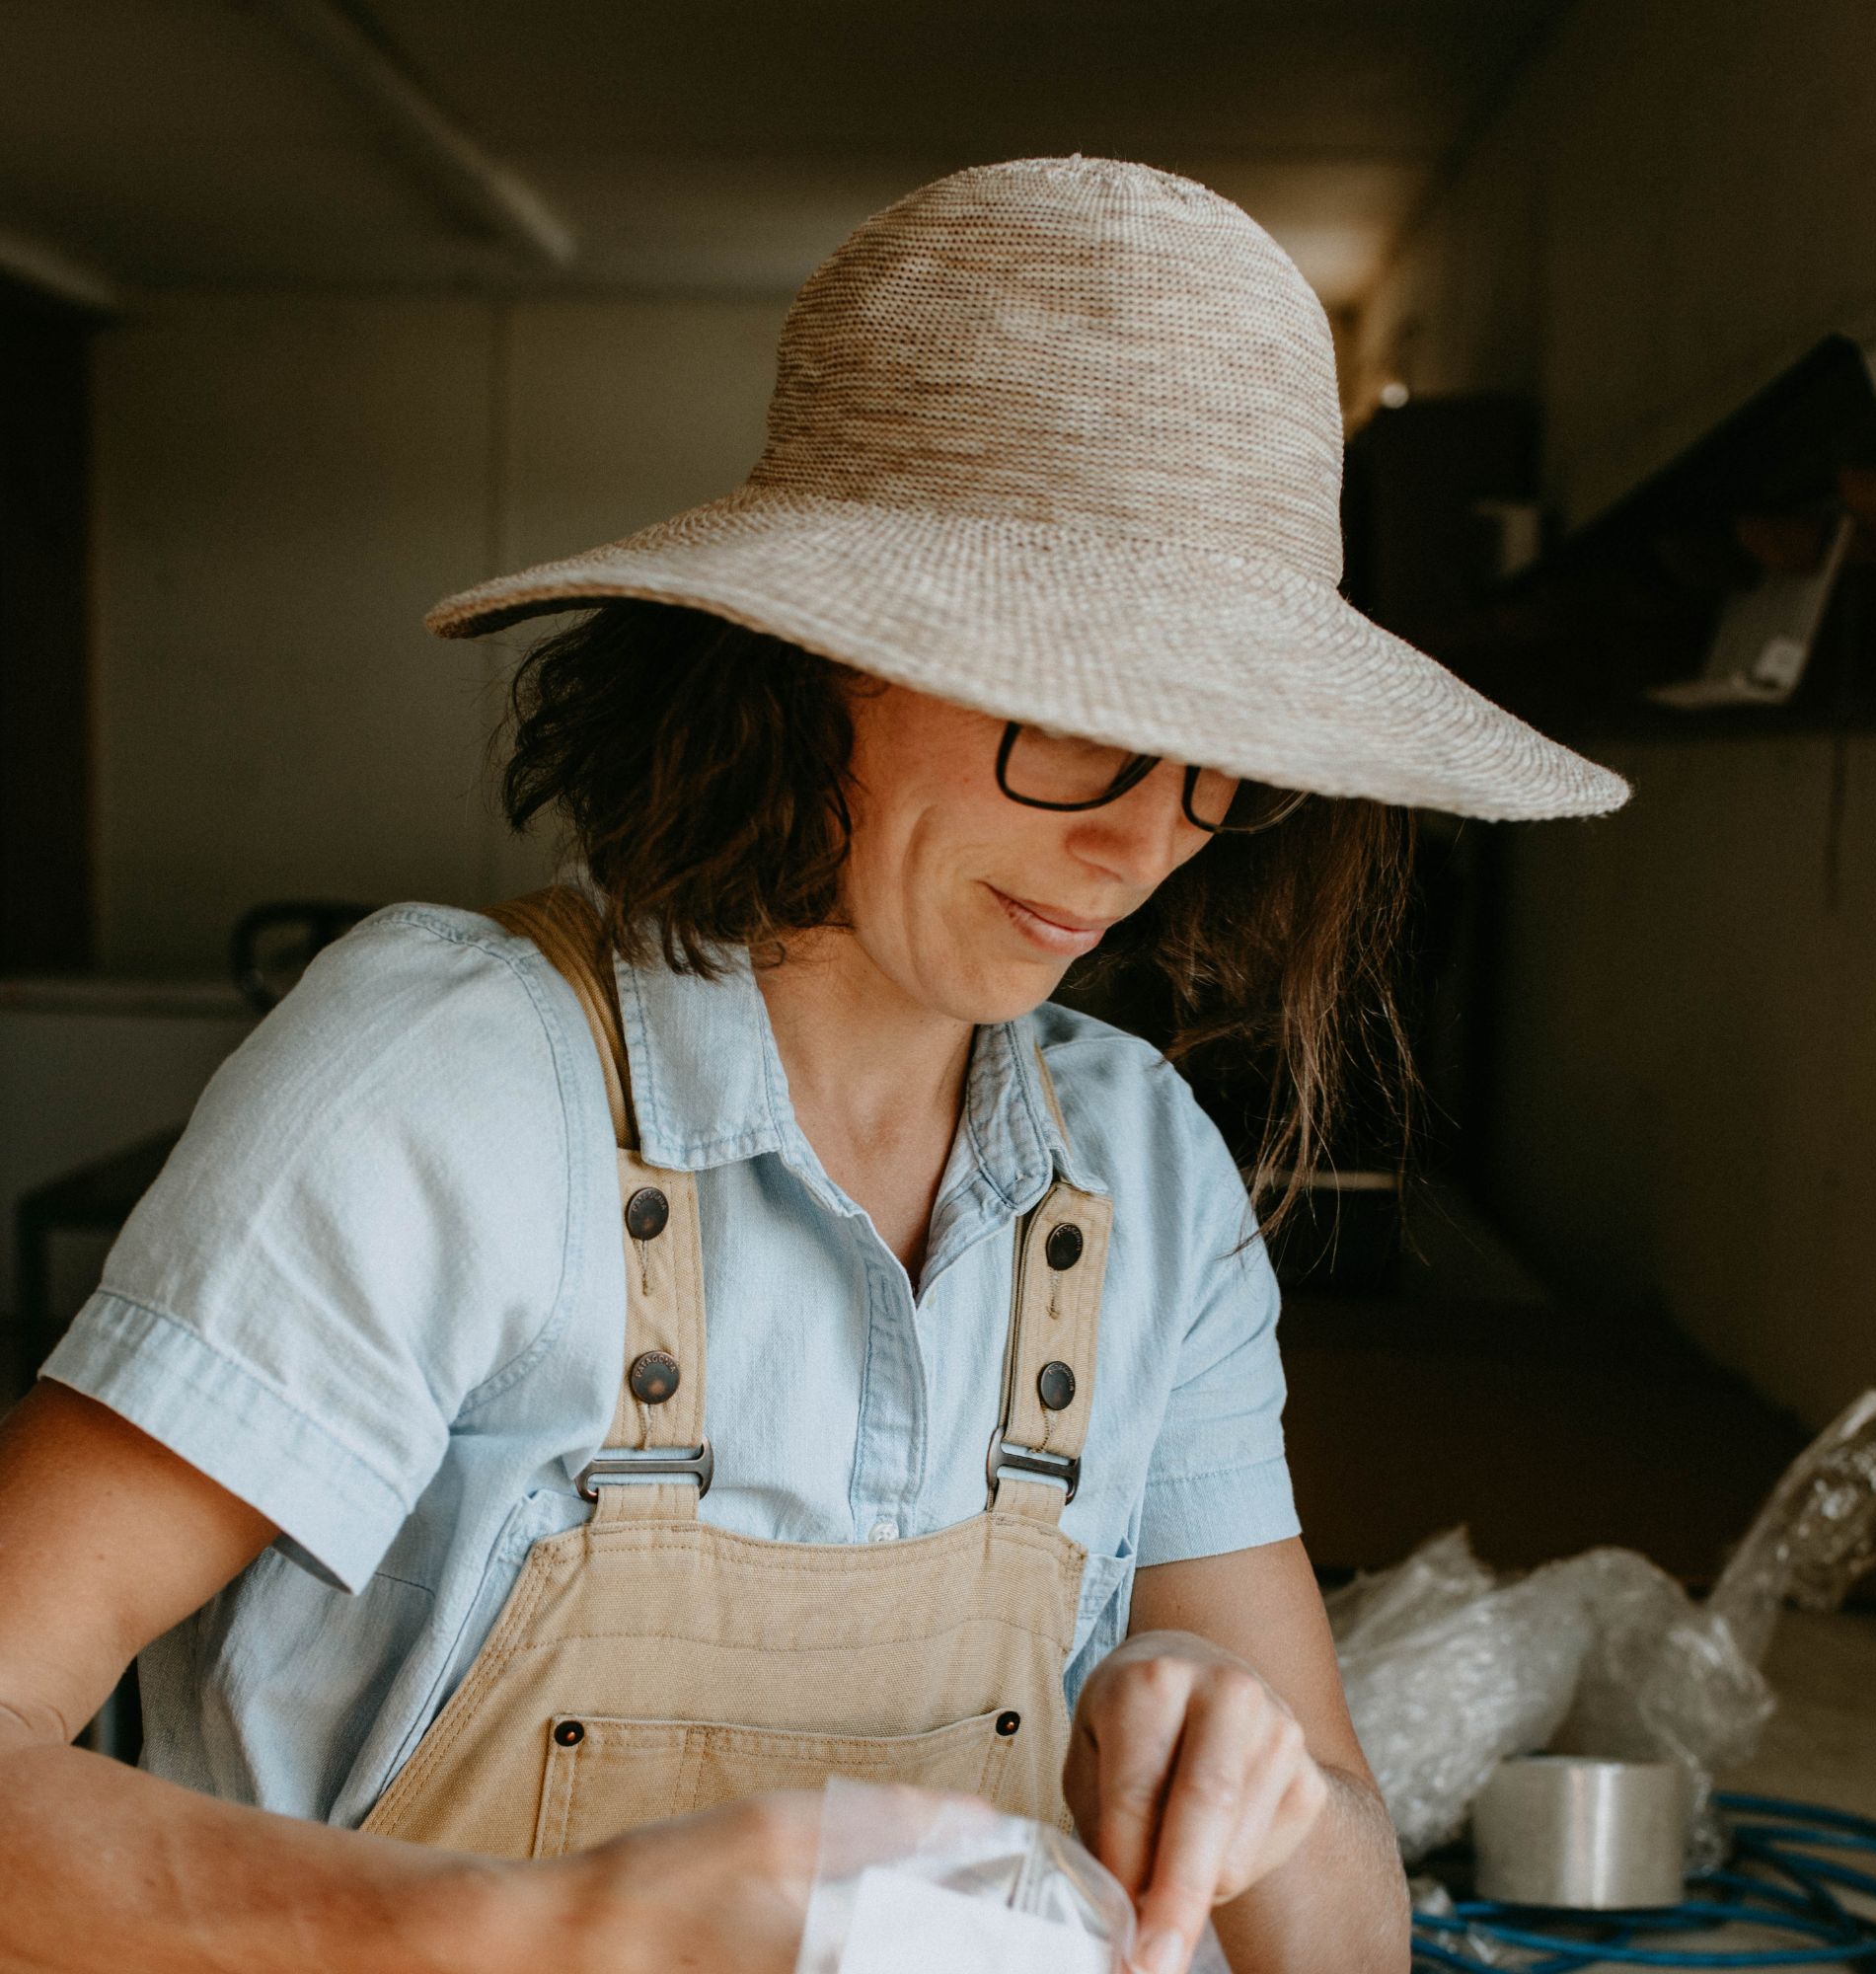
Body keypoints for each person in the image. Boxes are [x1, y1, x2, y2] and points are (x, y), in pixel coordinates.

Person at [0, 155, 1626, 1974]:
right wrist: (541, 1933)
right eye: (1078, 722)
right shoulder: (453, 1088)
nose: (1145, 841)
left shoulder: (1142, 1172)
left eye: (1219, 759)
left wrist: (1260, 1792)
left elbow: (1339, 1940)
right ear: (809, 660)